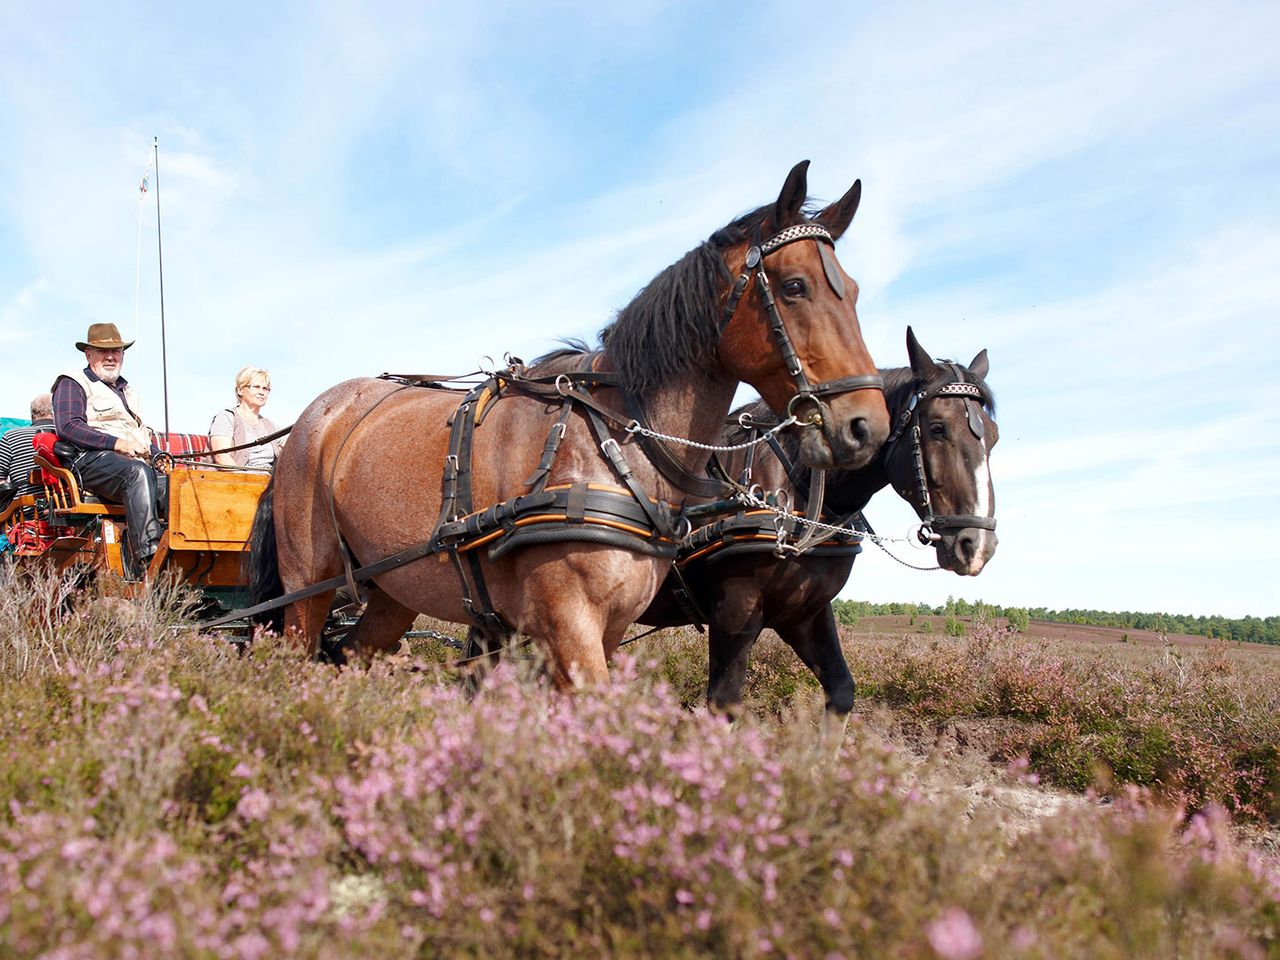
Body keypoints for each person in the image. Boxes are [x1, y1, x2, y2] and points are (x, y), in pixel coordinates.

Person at [51, 323, 165, 576]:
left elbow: (140, 432)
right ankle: (151, 557)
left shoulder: (127, 391)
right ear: (88, 354)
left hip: (132, 462)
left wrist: (157, 455)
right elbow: (68, 426)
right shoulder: (72, 382)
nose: (111, 356)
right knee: (136, 474)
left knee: (179, 484)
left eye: (116, 350)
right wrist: (117, 443)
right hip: (90, 461)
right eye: (103, 351)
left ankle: (183, 557)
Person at [209, 366, 283, 470]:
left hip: (269, 481)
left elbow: (295, 446)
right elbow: (221, 457)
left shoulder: (270, 426)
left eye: (265, 388)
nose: (262, 392)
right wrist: (245, 480)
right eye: (256, 387)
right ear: (240, 390)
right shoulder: (226, 418)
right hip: (236, 481)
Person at [0, 393, 55, 514]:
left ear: (32, 415)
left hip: (25, 514)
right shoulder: (68, 436)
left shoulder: (11, 437)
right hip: (68, 512)